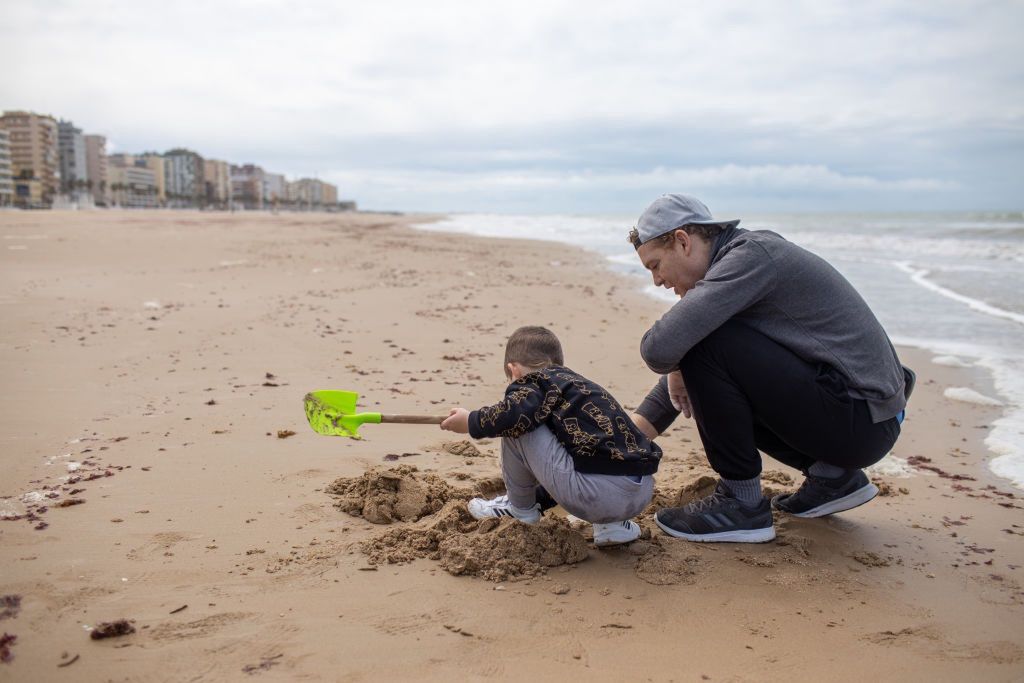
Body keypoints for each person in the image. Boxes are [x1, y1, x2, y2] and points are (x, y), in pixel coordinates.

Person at [628, 193, 914, 543]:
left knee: (704, 342)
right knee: (705, 343)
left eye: (655, 265)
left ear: (683, 241)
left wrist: (677, 361)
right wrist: (627, 443)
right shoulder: (742, 259)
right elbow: (695, 362)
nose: (657, 280)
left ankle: (741, 503)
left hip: (861, 419)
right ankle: (832, 478)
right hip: (865, 420)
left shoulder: (749, 259)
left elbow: (660, 349)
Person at [440, 325, 661, 546]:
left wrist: (470, 421)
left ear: (514, 370)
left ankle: (520, 509)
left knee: (517, 425)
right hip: (640, 492)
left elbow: (513, 414)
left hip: (595, 496)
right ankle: (612, 526)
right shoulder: (582, 387)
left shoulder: (536, 382)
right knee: (585, 442)